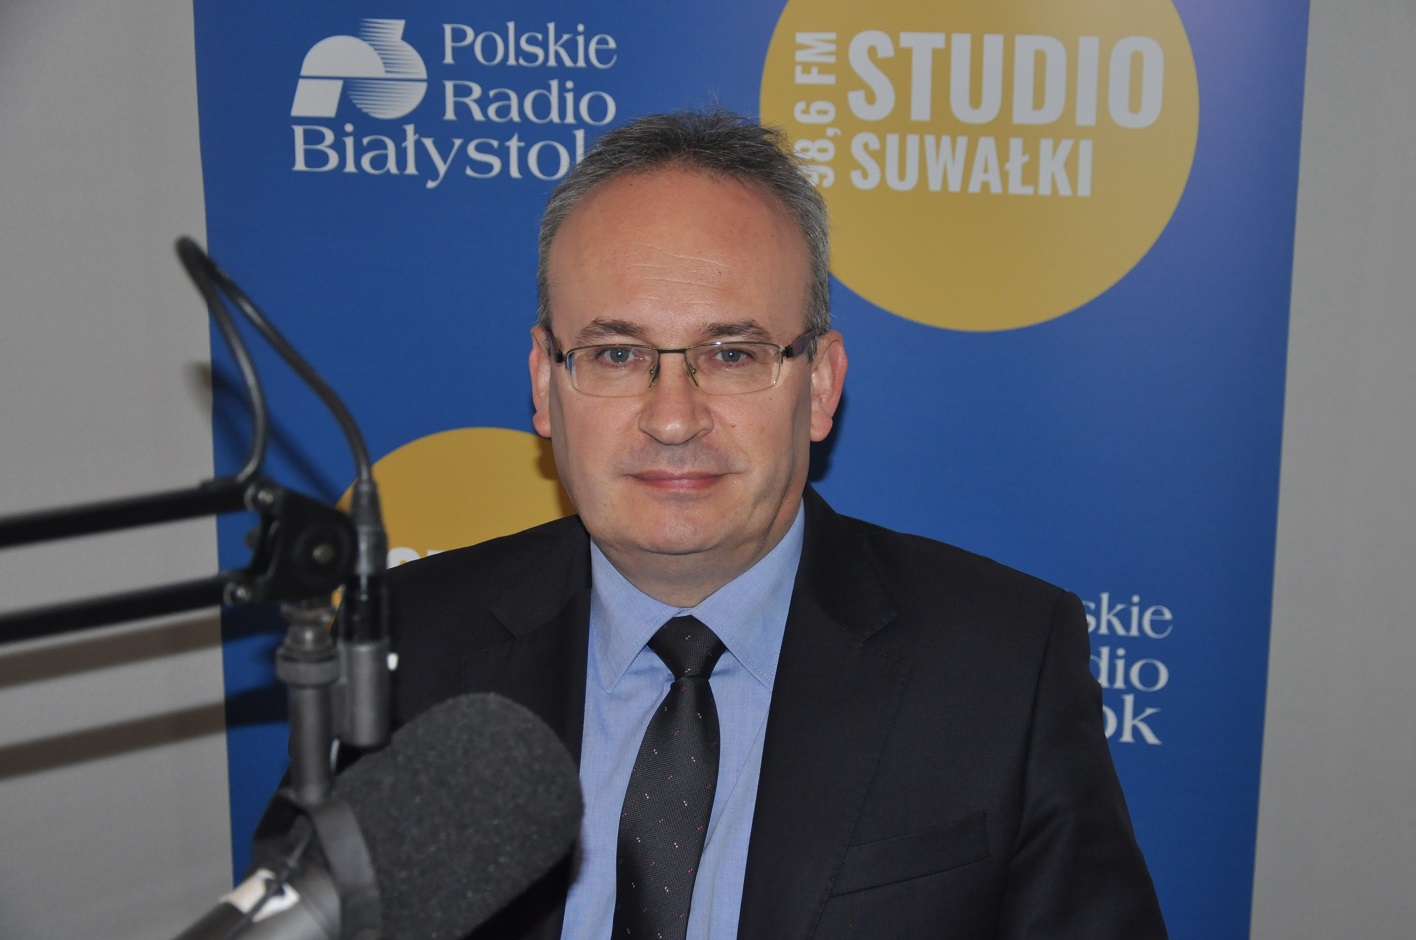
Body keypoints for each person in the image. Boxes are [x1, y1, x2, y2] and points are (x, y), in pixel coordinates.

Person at [388, 109, 1167, 940]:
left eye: (732, 354)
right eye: (617, 354)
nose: (673, 418)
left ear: (820, 385)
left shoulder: (1003, 666)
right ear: (546, 385)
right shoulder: (408, 643)